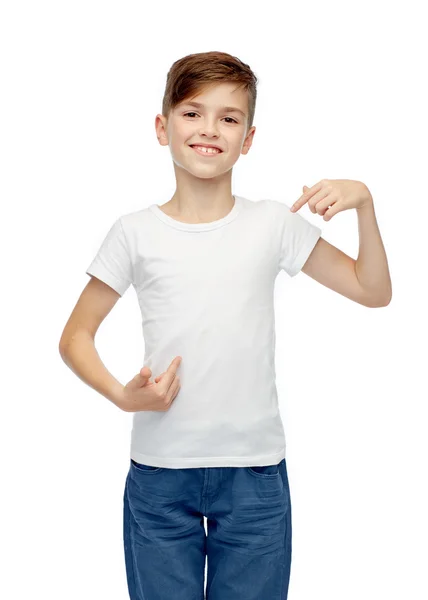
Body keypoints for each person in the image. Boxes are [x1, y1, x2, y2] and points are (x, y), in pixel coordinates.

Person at [59, 50, 392, 600]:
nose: (210, 129)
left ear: (249, 138)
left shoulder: (274, 224)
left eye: (229, 117)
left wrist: (366, 206)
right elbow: (75, 337)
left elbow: (372, 291)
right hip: (161, 474)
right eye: (192, 113)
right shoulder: (133, 232)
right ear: (163, 127)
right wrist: (124, 396)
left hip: (255, 475)